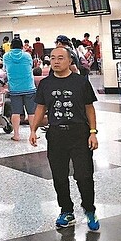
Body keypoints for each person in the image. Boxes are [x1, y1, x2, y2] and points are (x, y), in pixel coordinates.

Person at [29, 47, 100, 231]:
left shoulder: (80, 82)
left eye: (60, 58)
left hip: (79, 134)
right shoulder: (45, 84)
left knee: (84, 175)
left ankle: (89, 209)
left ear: (70, 61)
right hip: (56, 135)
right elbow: (40, 109)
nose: (56, 61)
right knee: (59, 176)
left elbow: (89, 108)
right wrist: (33, 130)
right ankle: (66, 211)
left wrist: (93, 132)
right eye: (52, 58)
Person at [3, 38, 36, 141]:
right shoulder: (27, 55)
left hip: (14, 88)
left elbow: (5, 69)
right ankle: (33, 133)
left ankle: (16, 135)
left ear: (11, 46)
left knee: (16, 112)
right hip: (29, 87)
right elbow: (31, 66)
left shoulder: (6, 56)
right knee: (31, 113)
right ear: (22, 46)